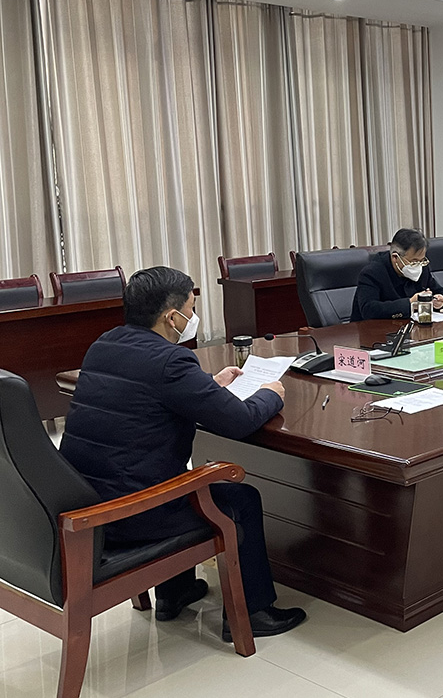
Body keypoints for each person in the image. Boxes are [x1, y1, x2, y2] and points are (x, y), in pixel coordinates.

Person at [60, 267, 306, 640]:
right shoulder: (170, 361)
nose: (194, 315)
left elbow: (145, 395)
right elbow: (239, 421)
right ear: (172, 317)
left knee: (169, 477)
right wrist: (271, 395)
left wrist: (209, 385)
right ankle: (253, 612)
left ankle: (174, 594)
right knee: (239, 499)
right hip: (132, 515)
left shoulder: (104, 344)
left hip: (89, 501)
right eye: (191, 307)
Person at [351, 228, 443, 321]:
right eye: (413, 261)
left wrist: (441, 300)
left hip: (411, 327)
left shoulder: (422, 267)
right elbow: (369, 310)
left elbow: (441, 291)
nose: (418, 265)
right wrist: (410, 303)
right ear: (395, 257)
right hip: (374, 330)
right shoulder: (372, 272)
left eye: (421, 260)